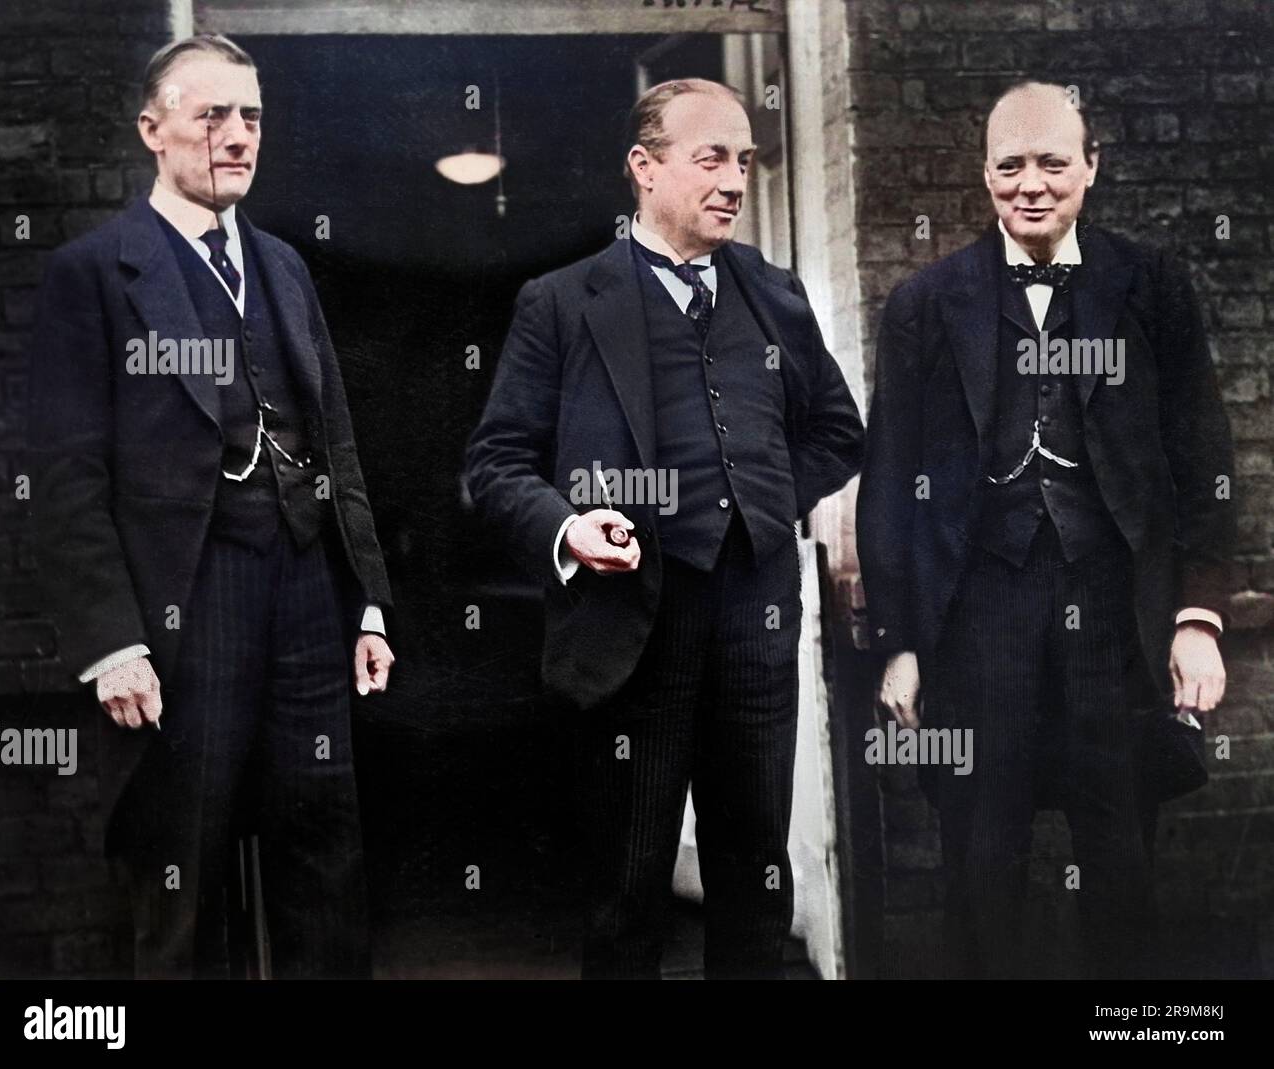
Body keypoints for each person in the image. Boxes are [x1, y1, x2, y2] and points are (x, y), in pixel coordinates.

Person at [466, 79, 864, 979]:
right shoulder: (564, 302)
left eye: (745, 162)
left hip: (754, 624)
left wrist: (758, 507)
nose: (733, 180)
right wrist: (569, 528)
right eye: (711, 158)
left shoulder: (774, 293)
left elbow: (840, 432)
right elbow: (493, 465)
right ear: (644, 170)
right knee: (626, 886)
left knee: (755, 877)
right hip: (629, 623)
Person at [29, 34, 396, 978]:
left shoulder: (283, 267)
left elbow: (337, 442)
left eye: (252, 119)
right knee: (183, 869)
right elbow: (66, 478)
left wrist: (366, 599)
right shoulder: (93, 273)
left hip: (307, 594)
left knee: (324, 853)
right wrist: (113, 641)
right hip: (186, 605)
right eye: (213, 117)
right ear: (154, 130)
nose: (238, 137)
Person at [857, 81, 1235, 978]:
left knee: (1122, 856)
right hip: (979, 611)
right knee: (981, 864)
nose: (1031, 185)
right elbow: (888, 489)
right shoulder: (926, 303)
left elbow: (1204, 455)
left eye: (1053, 163)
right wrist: (902, 642)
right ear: (984, 175)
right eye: (1009, 166)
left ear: (1091, 168)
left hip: (1114, 611)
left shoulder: (1151, 285)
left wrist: (1198, 616)